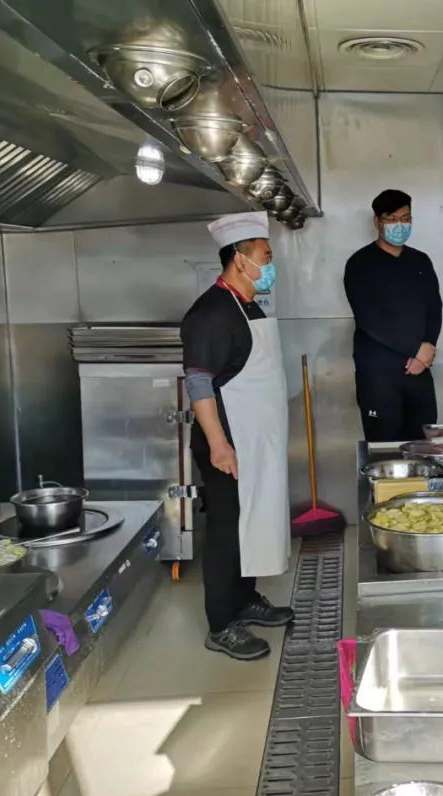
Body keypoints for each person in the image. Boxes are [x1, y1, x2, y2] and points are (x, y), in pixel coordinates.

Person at [181, 211, 295, 661]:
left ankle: (245, 600)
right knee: (228, 531)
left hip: (256, 439)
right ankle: (220, 624)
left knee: (252, 522)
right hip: (228, 443)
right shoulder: (210, 313)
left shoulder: (247, 305)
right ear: (239, 259)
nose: (270, 265)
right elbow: (198, 382)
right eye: (265, 256)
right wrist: (218, 444)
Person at [344, 189, 442, 441]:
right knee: (383, 446)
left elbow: (434, 308)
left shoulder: (420, 261)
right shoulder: (360, 264)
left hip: (419, 371)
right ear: (376, 221)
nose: (400, 225)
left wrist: (427, 348)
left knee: (422, 442)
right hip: (379, 373)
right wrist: (415, 349)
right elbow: (369, 319)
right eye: (392, 219)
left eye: (406, 219)